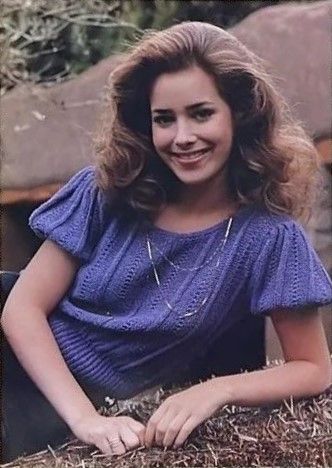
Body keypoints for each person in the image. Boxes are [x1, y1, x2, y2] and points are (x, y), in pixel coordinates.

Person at [2, 21, 332, 461]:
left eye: (201, 113)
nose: (182, 137)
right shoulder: (107, 192)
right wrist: (86, 420)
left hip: (58, 404)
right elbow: (22, 308)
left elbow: (313, 368)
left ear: (240, 114)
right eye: (164, 119)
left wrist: (216, 391)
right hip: (22, 365)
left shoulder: (269, 237)